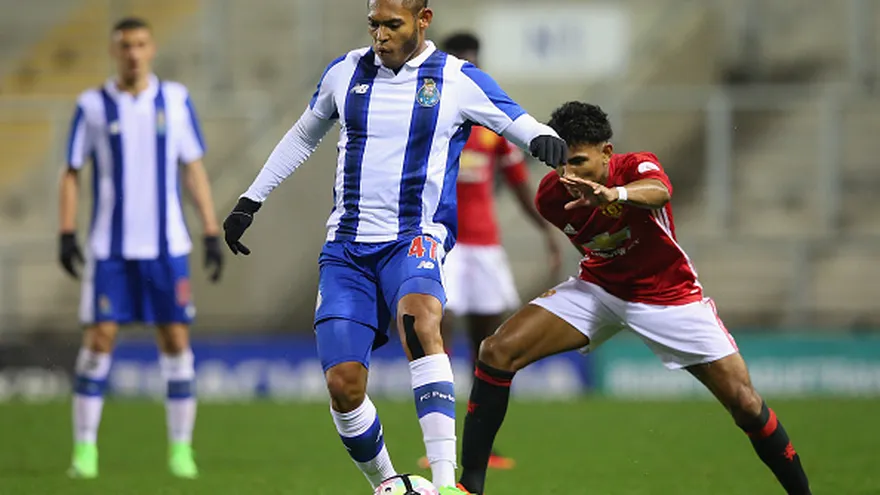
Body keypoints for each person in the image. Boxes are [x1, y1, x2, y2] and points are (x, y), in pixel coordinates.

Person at [221, 0, 567, 493]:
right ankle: (388, 483)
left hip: (415, 236)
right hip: (346, 248)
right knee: (343, 385)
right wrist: (250, 201)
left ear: (423, 21)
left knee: (421, 319)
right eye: (374, 25)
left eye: (392, 24)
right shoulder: (345, 72)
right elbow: (303, 135)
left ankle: (447, 484)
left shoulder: (456, 78)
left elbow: (519, 122)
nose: (380, 35)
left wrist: (547, 141)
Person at [456, 102, 812, 495]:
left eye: (578, 162)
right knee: (496, 350)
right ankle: (470, 486)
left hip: (669, 297)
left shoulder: (637, 167)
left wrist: (615, 194)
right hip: (600, 289)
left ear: (607, 153)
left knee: (745, 404)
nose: (568, 175)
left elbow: (659, 192)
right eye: (561, 164)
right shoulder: (551, 199)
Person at [59, 17, 223, 480]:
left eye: (141, 45)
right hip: (110, 248)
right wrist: (66, 232)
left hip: (167, 247)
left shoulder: (175, 100)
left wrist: (210, 230)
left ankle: (180, 451)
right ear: (114, 51)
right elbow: (70, 170)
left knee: (174, 340)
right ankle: (85, 451)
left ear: (151, 50)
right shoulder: (91, 106)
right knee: (100, 340)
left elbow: (193, 167)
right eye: (124, 46)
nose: (133, 53)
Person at [415, 32, 562, 472]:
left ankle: (483, 445)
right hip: (444, 241)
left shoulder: (493, 132)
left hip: (486, 246)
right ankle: (438, 440)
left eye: (474, 61)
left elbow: (518, 186)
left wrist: (545, 229)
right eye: (462, 60)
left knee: (489, 345)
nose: (469, 68)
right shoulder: (433, 124)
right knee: (432, 332)